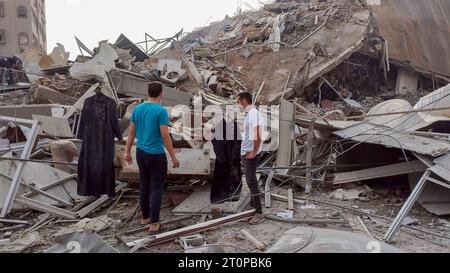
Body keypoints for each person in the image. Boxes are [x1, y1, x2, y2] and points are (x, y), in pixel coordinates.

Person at [125, 82, 180, 233]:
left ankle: (145, 217)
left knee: (144, 184)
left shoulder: (138, 109)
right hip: (155, 154)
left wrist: (127, 152)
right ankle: (154, 223)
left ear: (147, 93)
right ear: (161, 93)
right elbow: (165, 135)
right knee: (156, 187)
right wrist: (173, 157)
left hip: (140, 153)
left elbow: (131, 133)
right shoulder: (160, 111)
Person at [237, 92, 265, 225]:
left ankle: (259, 212)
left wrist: (253, 152)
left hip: (250, 153)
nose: (238, 103)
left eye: (238, 100)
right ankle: (254, 204)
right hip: (246, 152)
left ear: (244, 100)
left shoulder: (254, 113)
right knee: (250, 179)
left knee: (251, 180)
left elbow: (258, 135)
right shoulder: (249, 114)